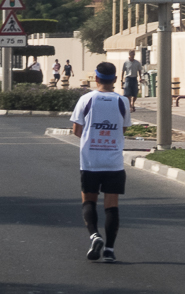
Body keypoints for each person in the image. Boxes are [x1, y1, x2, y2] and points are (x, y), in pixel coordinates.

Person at [70, 62, 131, 263]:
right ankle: (110, 250)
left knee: (88, 201)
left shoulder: (86, 99)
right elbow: (122, 130)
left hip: (90, 161)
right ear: (115, 80)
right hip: (113, 163)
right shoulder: (122, 102)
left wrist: (91, 138)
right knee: (111, 206)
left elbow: (76, 130)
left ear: (95, 78)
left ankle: (95, 236)